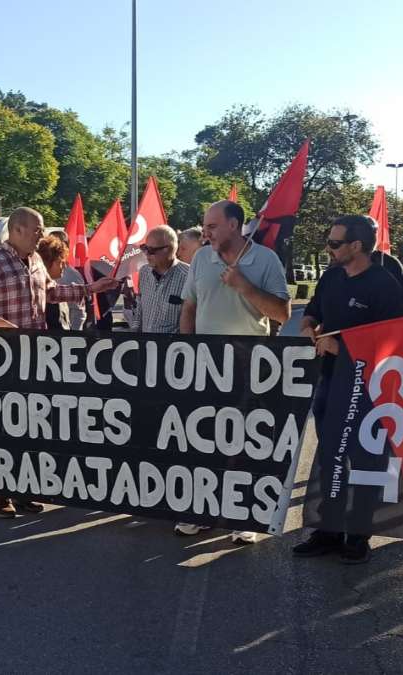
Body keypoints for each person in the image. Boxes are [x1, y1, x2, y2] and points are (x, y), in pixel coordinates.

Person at [0, 206, 118, 518]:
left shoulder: (36, 261)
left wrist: (90, 289)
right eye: (37, 229)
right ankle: (1, 494)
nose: (42, 235)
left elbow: (52, 293)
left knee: (30, 427)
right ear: (18, 230)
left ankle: (24, 491)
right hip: (4, 358)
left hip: (35, 357)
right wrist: (0, 325)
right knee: (5, 428)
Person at [293, 215, 403, 564]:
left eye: (334, 243)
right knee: (330, 456)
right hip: (330, 382)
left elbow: (396, 346)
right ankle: (328, 529)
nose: (328, 249)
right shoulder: (331, 278)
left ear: (355, 247)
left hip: (368, 389)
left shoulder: (385, 286)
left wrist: (342, 350)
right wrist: (308, 327)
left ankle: (359, 535)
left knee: (365, 460)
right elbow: (312, 313)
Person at [177, 201, 292, 543]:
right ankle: (201, 511)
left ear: (234, 225)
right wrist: (186, 348)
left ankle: (245, 514)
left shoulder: (266, 259)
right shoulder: (200, 258)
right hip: (206, 361)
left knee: (244, 440)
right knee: (204, 438)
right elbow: (189, 307)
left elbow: (282, 314)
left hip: (249, 361)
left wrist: (244, 285)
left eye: (211, 226)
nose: (206, 232)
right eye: (204, 226)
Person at [129, 225, 188, 334]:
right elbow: (140, 307)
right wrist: (134, 333)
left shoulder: (188, 276)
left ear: (169, 249)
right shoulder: (144, 272)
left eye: (151, 250)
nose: (146, 254)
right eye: (144, 248)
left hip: (172, 348)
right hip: (145, 345)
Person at [50, 229, 89, 329]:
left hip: (64, 335)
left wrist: (73, 337)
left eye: (56, 245)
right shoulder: (39, 269)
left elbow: (78, 312)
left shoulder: (73, 276)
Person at [37, 235, 72, 330]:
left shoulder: (54, 287)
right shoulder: (42, 293)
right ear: (46, 263)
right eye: (60, 263)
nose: (64, 267)